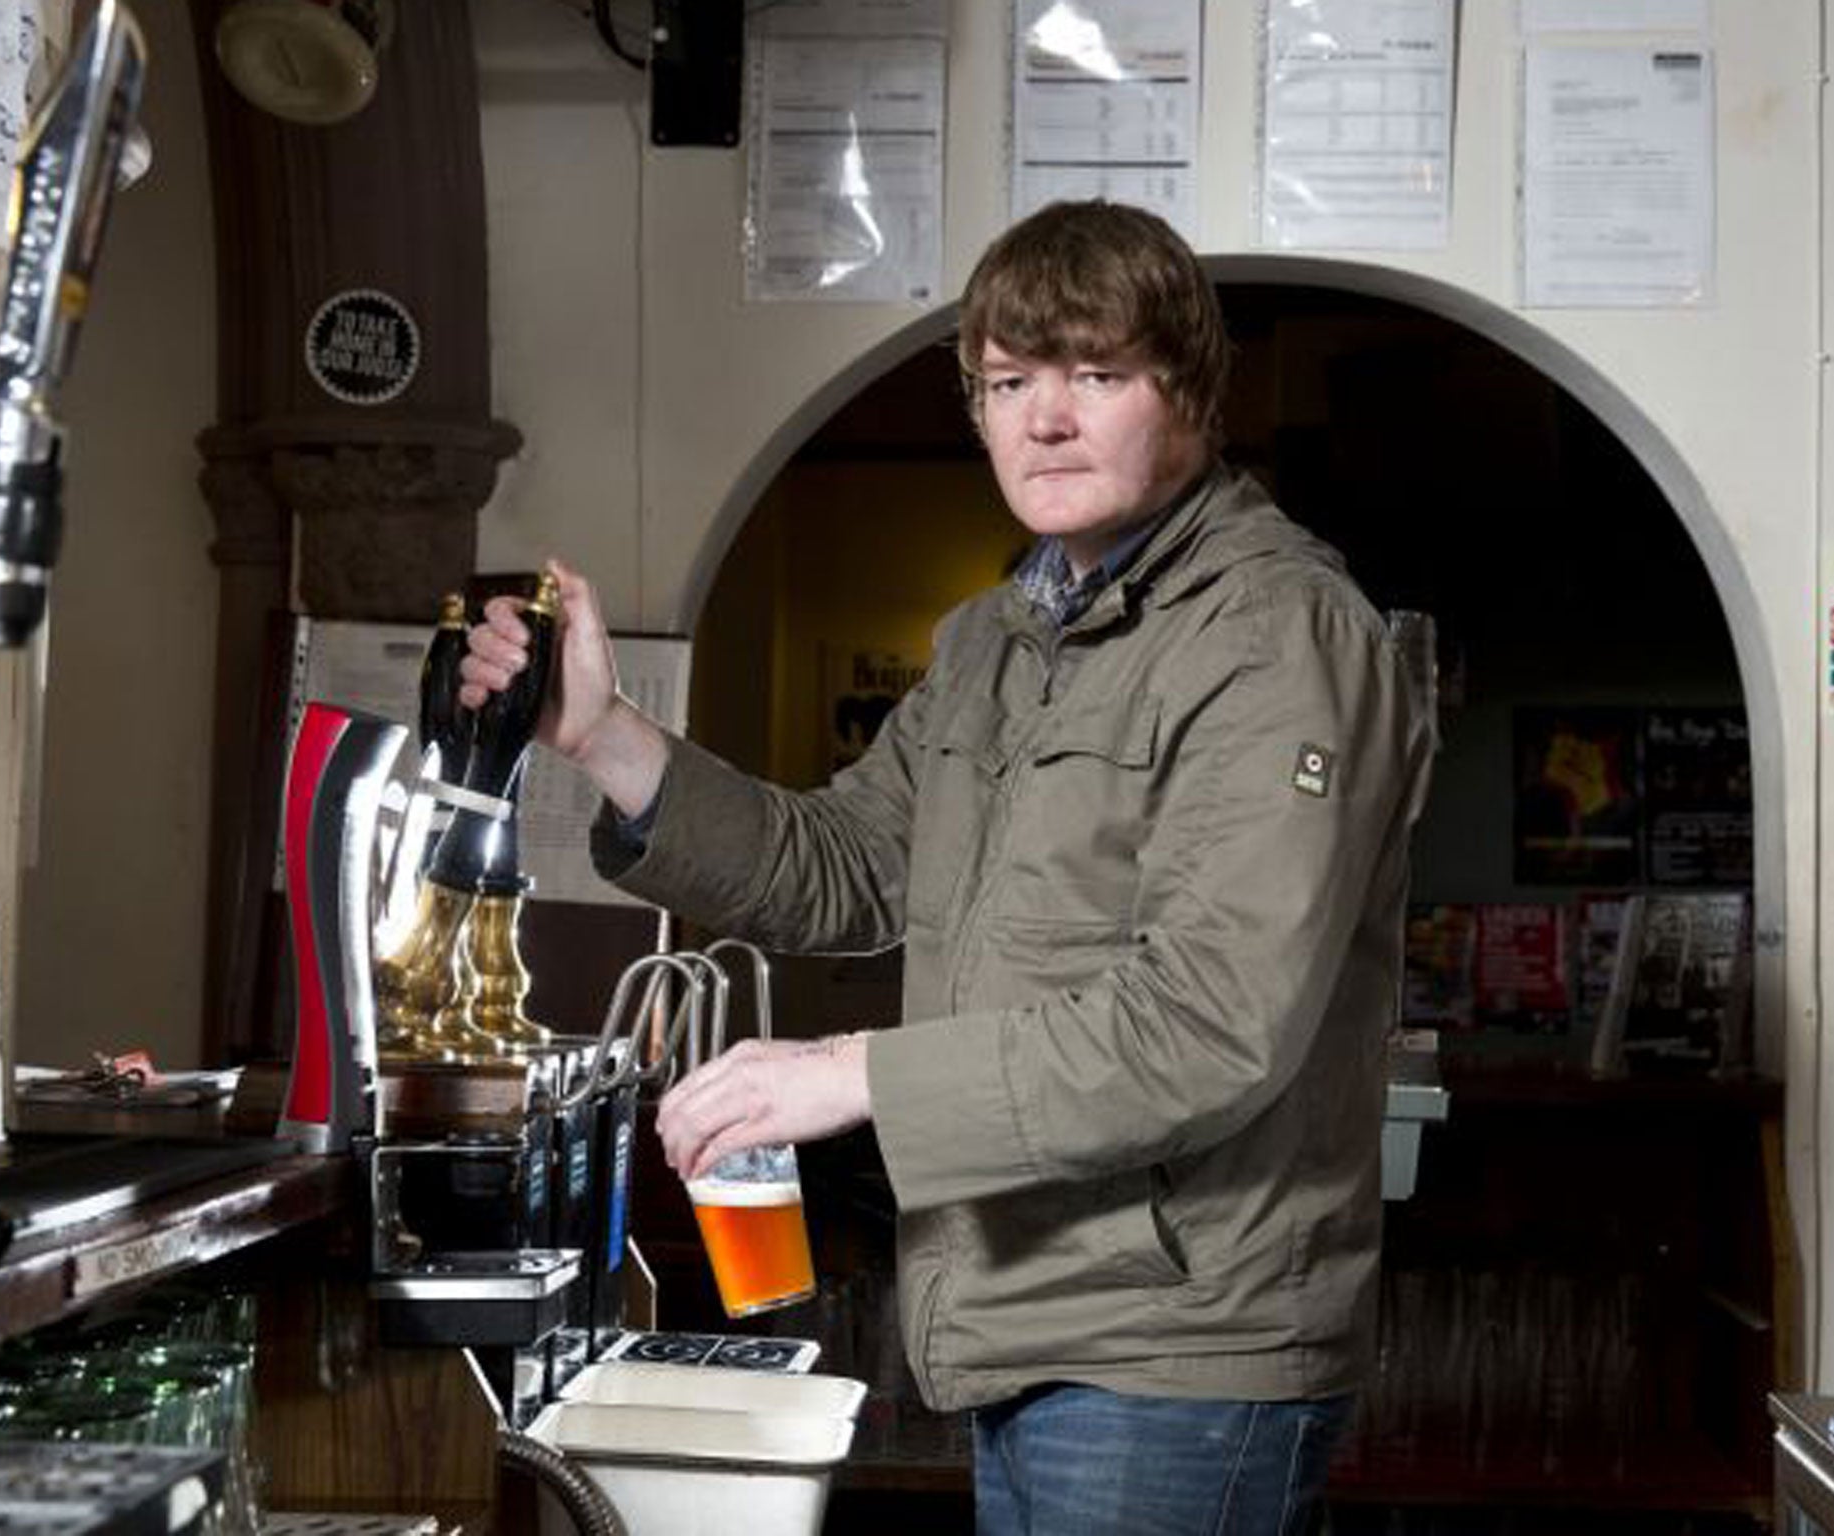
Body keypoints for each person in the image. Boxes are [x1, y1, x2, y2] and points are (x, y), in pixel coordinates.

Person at [460, 199, 1433, 1535]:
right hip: (1018, 1309)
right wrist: (603, 736)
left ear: (1192, 394)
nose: (1046, 420)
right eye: (1009, 383)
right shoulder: (994, 640)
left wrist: (846, 1073)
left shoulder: (1279, 636)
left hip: (1177, 1349)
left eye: (1097, 375)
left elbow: (1207, 1024)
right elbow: (842, 865)